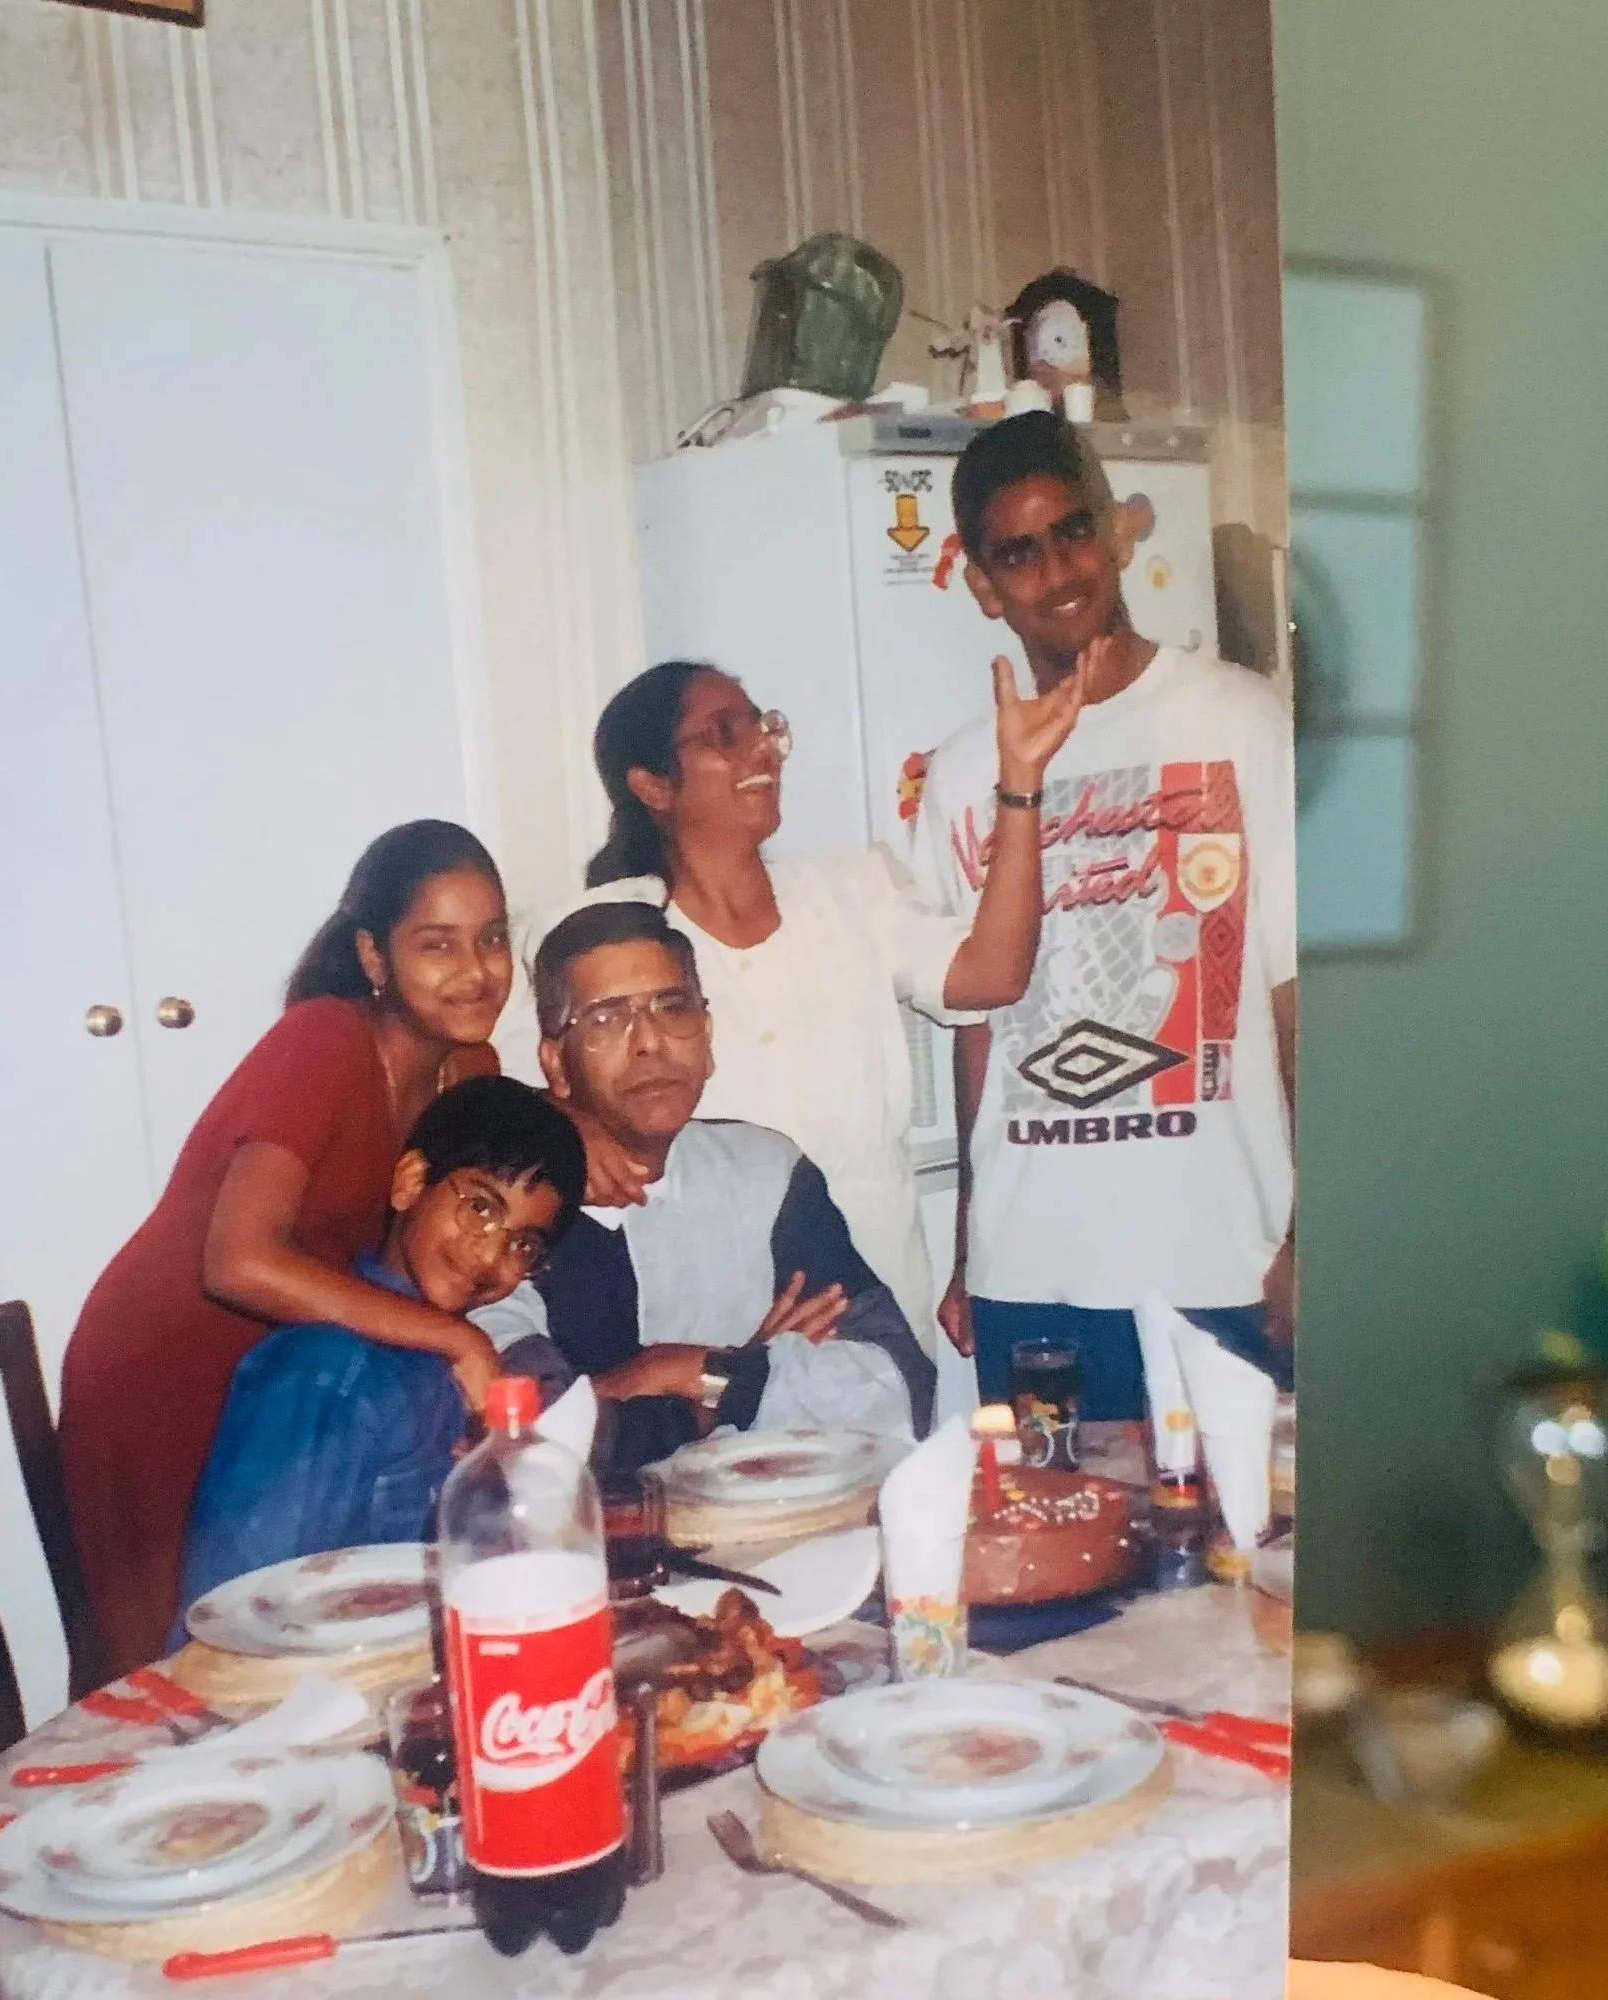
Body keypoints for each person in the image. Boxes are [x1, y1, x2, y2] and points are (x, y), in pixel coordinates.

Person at [493, 655, 1083, 1365]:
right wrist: (563, 1124)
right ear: (652, 785)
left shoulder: (852, 892)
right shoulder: (601, 935)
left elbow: (995, 974)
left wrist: (1020, 784)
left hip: (878, 1328)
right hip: (709, 1336)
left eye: (763, 727)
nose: (762, 749)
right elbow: (483, 1080)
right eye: (724, 734)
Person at [902, 410, 1297, 1420]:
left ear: (1117, 533)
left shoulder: (1241, 720)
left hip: (1221, 1259)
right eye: (1018, 553)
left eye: (1073, 531)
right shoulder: (962, 774)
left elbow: (1298, 993)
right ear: (983, 586)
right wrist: (968, 1249)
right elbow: (976, 1027)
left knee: (1240, 1523)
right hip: (1031, 1273)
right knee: (1052, 1521)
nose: (1058, 571)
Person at [60, 819, 520, 1673]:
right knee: (183, 1672)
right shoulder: (325, 1040)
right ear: (375, 956)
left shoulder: (471, 1071)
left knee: (291, 1646)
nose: (476, 969)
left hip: (290, 1381)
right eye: (438, 944)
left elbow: (491, 1203)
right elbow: (237, 1262)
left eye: (493, 938)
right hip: (160, 1372)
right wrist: (454, 1340)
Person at [477, 901, 935, 1478]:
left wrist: (705, 1373)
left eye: (672, 1008)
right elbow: (532, 1435)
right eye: (607, 1019)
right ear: (556, 1066)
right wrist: (738, 1380)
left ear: (708, 1035)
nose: (649, 1042)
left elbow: (903, 1387)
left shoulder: (765, 1173)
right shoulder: (512, 1208)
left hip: (771, 1519)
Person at [167, 1076, 586, 1640]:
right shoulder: (330, 1372)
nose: (491, 1255)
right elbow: (238, 1618)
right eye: (481, 1208)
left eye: (524, 1245)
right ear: (411, 1183)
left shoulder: (455, 1373)